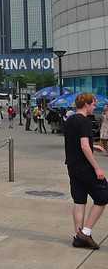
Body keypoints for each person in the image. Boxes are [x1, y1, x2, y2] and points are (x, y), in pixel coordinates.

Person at [64, 93, 108, 249]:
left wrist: (93, 145)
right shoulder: (84, 122)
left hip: (72, 166)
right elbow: (83, 146)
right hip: (84, 167)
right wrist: (97, 168)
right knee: (103, 196)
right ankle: (86, 233)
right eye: (94, 104)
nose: (95, 107)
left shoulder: (70, 120)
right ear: (86, 105)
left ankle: (78, 237)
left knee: (79, 200)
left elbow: (76, 142)